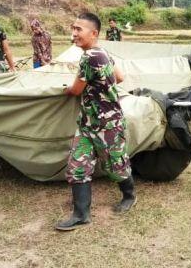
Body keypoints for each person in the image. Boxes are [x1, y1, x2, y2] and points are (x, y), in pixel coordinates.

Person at [55, 12, 136, 231]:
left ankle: (129, 196)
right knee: (77, 166)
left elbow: (75, 90)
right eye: (73, 28)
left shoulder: (90, 56)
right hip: (87, 123)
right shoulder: (103, 52)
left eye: (78, 29)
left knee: (116, 166)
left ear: (94, 33)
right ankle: (81, 214)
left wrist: (65, 89)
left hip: (107, 125)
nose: (74, 33)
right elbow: (119, 77)